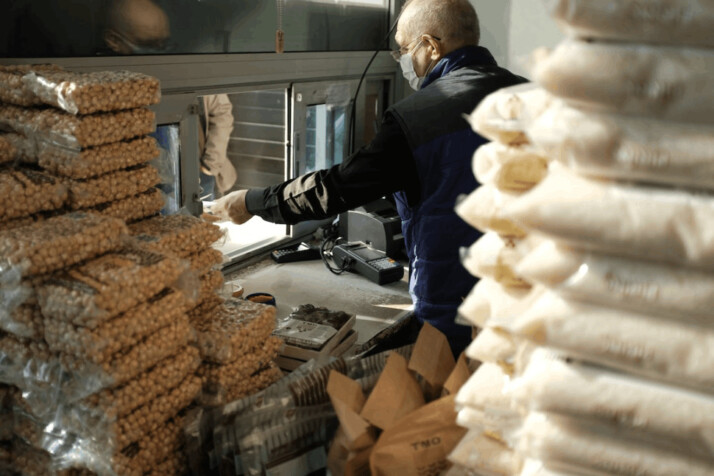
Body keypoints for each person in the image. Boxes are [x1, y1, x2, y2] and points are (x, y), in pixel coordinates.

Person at [209, 0, 527, 356]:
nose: (403, 59)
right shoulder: (539, 99)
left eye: (405, 49)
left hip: (455, 310)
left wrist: (252, 202)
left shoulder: (420, 117)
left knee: (447, 402)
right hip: (533, 296)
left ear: (431, 46)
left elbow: (338, 188)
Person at [198, 94, 237, 200]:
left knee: (202, 214)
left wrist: (210, 164)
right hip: (158, 171)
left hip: (200, 168)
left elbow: (222, 114)